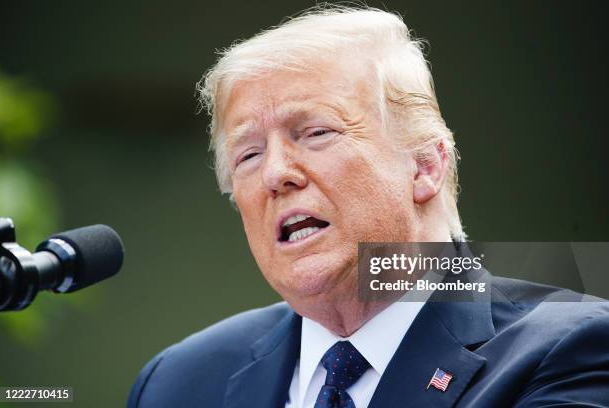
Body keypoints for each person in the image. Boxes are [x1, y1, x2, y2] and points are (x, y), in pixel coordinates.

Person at [127, 6, 609, 407]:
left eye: (315, 133)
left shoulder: (570, 350)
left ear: (424, 165)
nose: (275, 174)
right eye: (248, 154)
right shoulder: (177, 383)